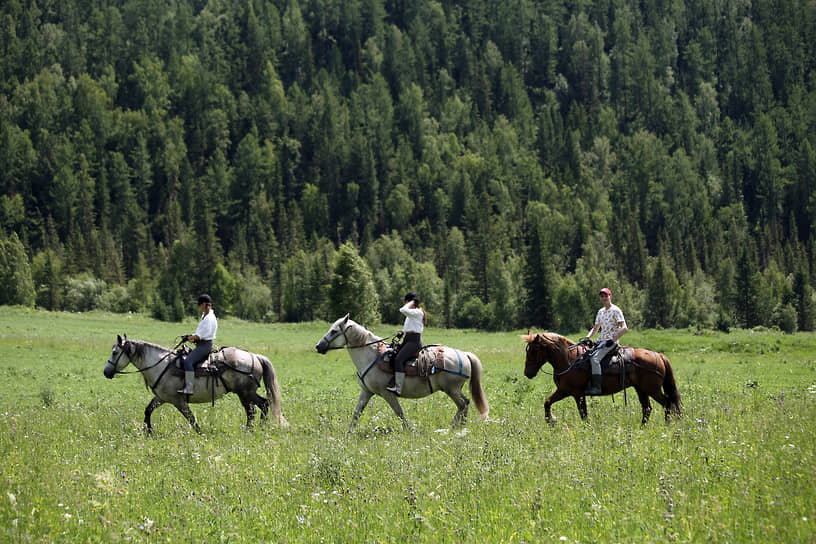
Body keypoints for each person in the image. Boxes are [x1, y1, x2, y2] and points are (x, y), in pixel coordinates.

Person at [582, 287, 627, 395]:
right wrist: (587, 337)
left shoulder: (616, 310)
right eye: (602, 296)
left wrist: (613, 340)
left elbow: (624, 327)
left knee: (595, 359)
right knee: (584, 356)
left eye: (606, 296)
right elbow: (596, 328)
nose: (604, 298)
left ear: (610, 296)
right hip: (601, 341)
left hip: (611, 342)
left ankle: (597, 387)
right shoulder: (601, 312)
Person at [386, 292, 427, 396]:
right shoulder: (412, 313)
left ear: (410, 302)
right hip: (407, 340)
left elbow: (402, 310)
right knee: (392, 354)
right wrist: (402, 335)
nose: (404, 303)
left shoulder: (417, 312)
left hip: (414, 341)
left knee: (399, 359)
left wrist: (411, 302)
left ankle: (398, 389)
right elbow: (409, 328)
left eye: (406, 301)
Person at [178, 294, 218, 395]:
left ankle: (189, 388)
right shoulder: (205, 316)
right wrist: (190, 335)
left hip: (204, 345)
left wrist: (189, 338)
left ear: (205, 304)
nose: (198, 306)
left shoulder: (208, 318)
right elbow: (201, 333)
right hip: (203, 343)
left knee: (188, 362)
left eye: (199, 304)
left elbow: (200, 336)